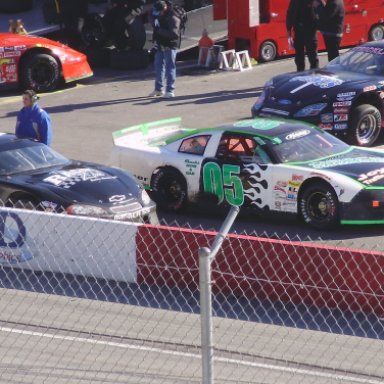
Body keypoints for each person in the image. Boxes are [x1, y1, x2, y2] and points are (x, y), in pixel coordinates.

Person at [149, 1, 181, 98]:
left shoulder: (173, 17)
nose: (157, 14)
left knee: (169, 67)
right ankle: (158, 90)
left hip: (170, 45)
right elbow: (152, 18)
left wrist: (159, 31)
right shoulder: (157, 13)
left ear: (164, 9)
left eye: (159, 12)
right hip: (160, 44)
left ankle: (170, 91)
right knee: (158, 66)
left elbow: (174, 34)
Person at [286, 0, 319, 72]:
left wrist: (289, 28)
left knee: (305, 57)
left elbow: (290, 13)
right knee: (308, 57)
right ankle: (311, 74)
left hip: (304, 31)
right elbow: (290, 13)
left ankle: (307, 74)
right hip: (306, 31)